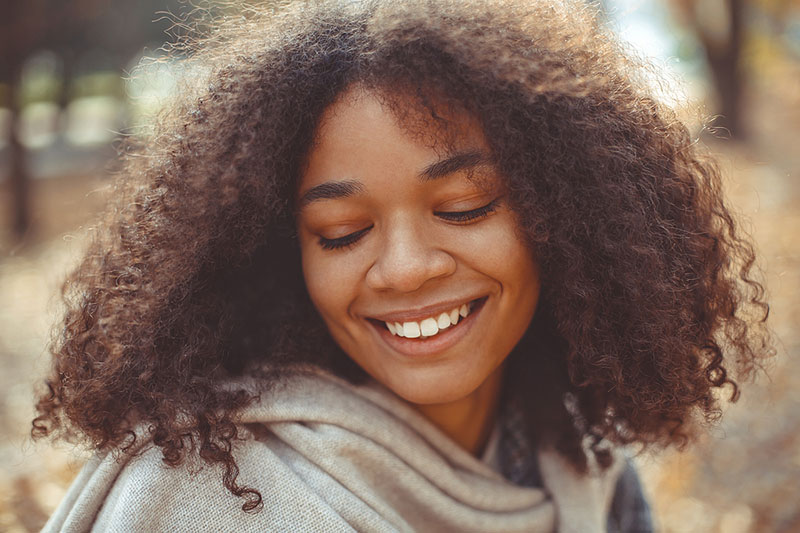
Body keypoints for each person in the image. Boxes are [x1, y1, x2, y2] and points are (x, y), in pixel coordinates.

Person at [34, 0, 772, 531]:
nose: (406, 269)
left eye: (464, 206)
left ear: (565, 218)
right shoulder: (207, 497)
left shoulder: (583, 463)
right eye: (342, 230)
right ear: (278, 252)